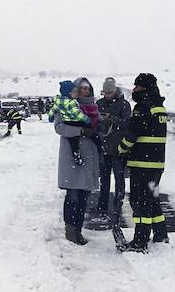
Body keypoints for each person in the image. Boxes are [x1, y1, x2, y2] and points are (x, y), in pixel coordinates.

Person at [117, 73, 168, 252]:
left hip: (142, 163)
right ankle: (161, 234)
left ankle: (140, 241)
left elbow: (132, 134)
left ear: (144, 88)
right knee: (152, 199)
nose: (134, 90)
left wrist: (121, 149)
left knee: (140, 203)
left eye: (137, 87)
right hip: (156, 164)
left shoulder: (142, 108)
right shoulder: (159, 107)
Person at [53, 78, 101, 245]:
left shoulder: (93, 108)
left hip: (89, 158)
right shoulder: (66, 105)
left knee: (84, 198)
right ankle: (71, 231)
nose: (85, 92)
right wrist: (81, 131)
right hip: (72, 158)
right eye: (82, 88)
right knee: (73, 196)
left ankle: (78, 230)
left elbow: (96, 127)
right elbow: (59, 127)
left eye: (88, 89)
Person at [96, 77, 132, 212]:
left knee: (119, 178)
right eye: (105, 93)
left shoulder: (124, 105)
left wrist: (111, 119)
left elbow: (127, 124)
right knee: (104, 180)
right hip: (104, 146)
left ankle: (119, 204)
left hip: (119, 148)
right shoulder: (99, 103)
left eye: (109, 93)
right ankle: (102, 204)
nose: (107, 96)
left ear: (114, 91)